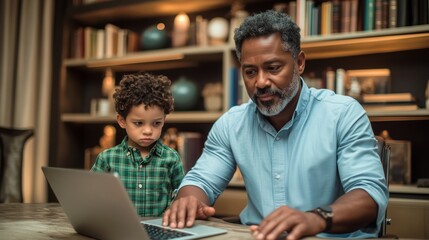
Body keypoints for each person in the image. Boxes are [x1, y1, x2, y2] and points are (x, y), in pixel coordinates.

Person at [162, 10, 388, 240]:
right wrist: (188, 201)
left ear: (299, 63)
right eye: (250, 72)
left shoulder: (343, 113)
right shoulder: (231, 124)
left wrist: (316, 218)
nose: (260, 82)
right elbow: (201, 181)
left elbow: (368, 195)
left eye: (273, 68)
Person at [91, 72, 185, 217]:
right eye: (138, 123)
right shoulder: (107, 158)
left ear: (164, 120)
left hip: (160, 231)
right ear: (122, 121)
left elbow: (180, 196)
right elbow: (91, 195)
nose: (148, 131)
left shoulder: (172, 158)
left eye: (156, 123)